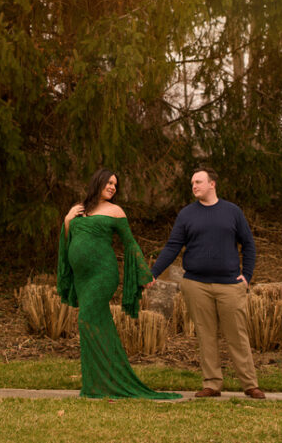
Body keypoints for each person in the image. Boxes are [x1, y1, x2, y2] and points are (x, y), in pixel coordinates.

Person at [57, 168, 181, 400]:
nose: (113, 187)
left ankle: (107, 382)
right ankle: (97, 384)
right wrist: (67, 219)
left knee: (86, 321)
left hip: (103, 275)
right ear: (98, 182)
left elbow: (130, 244)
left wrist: (145, 274)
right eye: (109, 183)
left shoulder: (116, 211)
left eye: (115, 184)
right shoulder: (79, 209)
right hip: (81, 278)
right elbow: (68, 240)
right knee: (94, 325)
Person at [150, 168, 265, 399]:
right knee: (205, 335)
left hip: (230, 285)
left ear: (212, 184)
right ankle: (212, 384)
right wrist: (152, 272)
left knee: (237, 335)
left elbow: (249, 245)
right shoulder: (186, 214)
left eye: (198, 182)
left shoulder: (232, 211)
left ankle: (250, 384)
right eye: (192, 182)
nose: (194, 186)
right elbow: (173, 246)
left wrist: (247, 275)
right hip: (196, 285)